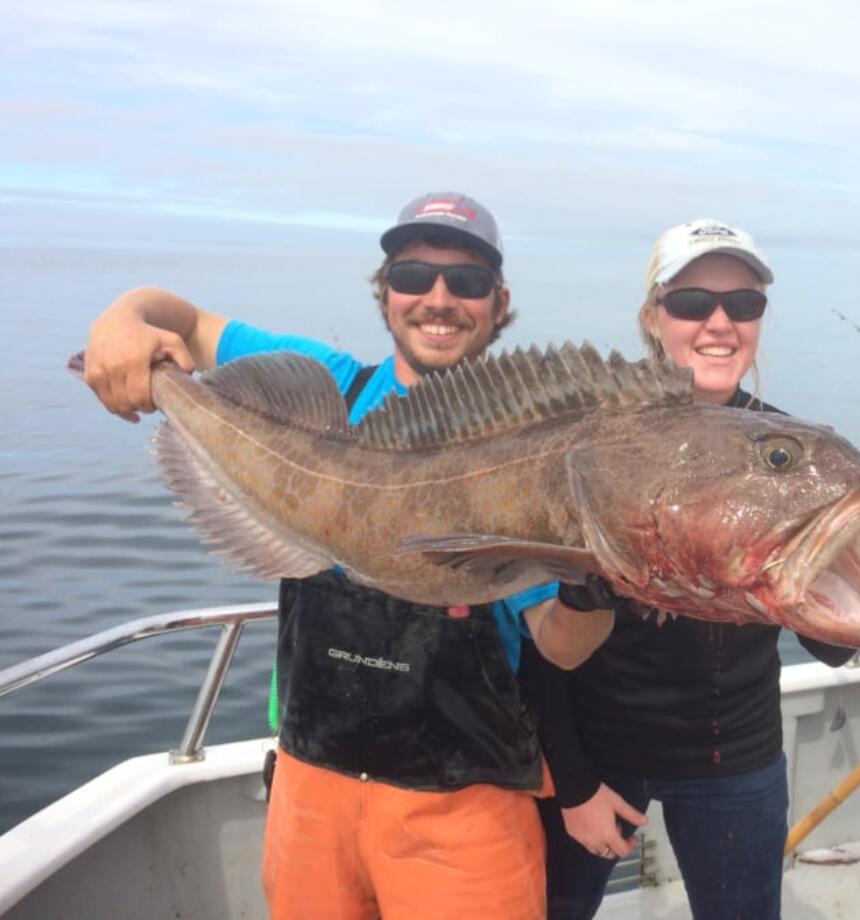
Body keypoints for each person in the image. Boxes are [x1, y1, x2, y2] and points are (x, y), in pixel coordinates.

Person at [81, 191, 608, 920]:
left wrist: (595, 582)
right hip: (309, 785)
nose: (439, 298)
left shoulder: (532, 448)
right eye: (414, 275)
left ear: (499, 302)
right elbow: (186, 322)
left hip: (461, 809)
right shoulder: (330, 383)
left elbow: (562, 643)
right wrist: (123, 318)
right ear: (386, 291)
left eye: (468, 282)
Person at [520, 219, 860, 920]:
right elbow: (541, 631)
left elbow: (835, 649)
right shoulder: (587, 444)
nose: (720, 322)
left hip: (735, 761)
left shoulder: (797, 453)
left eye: (743, 304)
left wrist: (852, 548)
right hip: (597, 754)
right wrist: (572, 785)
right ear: (655, 317)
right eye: (692, 303)